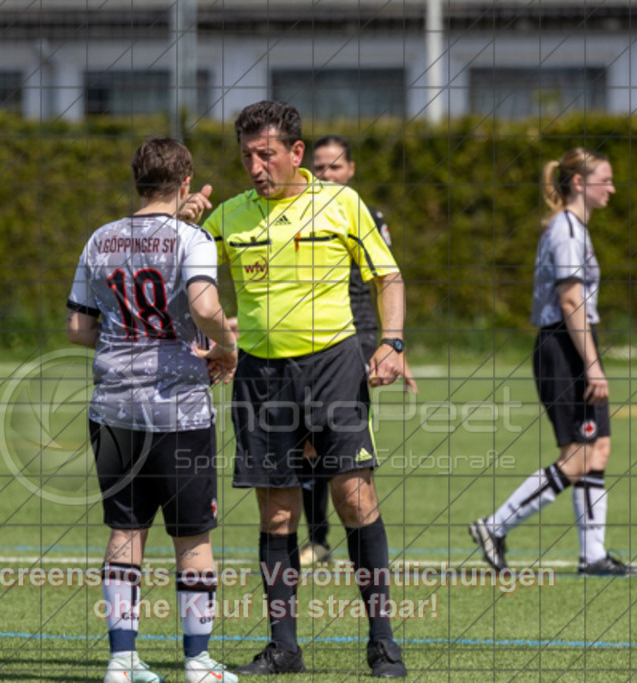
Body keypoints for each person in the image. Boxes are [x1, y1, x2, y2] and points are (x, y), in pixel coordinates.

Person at [201, 101, 409, 678]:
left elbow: (387, 275)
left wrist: (391, 341)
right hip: (261, 375)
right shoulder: (228, 216)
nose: (255, 166)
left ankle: (383, 644)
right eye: (246, 156)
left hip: (335, 365)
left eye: (266, 154)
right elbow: (182, 270)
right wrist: (183, 217)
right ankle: (284, 648)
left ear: (296, 153)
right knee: (277, 517)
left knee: (354, 500)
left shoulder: (342, 204)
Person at [66, 136, 240, 683]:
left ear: (137, 180)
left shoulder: (101, 238)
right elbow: (206, 307)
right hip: (178, 410)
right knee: (192, 538)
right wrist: (225, 347)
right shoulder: (193, 237)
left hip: (113, 407)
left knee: (125, 530)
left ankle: (122, 658)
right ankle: (198, 661)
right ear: (185, 183)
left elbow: (77, 328)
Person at [469, 147, 637, 577]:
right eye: (605, 179)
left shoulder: (572, 227)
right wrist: (593, 365)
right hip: (564, 346)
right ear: (580, 183)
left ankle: (593, 556)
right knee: (579, 456)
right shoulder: (566, 230)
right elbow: (570, 301)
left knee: (596, 449)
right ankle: (495, 525)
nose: (613, 188)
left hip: (573, 343)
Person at [298, 135, 418, 568]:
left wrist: (392, 345)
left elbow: (385, 280)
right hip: (309, 338)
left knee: (337, 444)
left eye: (335, 167)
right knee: (310, 443)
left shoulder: (362, 213)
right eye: (320, 167)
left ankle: (350, 538)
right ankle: (319, 539)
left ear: (351, 171)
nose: (326, 175)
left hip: (356, 335)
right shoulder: (298, 211)